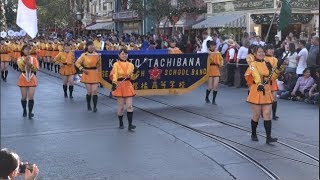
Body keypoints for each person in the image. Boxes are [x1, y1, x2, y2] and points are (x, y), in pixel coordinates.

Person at [246, 45, 286, 144]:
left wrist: (279, 68)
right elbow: (255, 74)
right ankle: (254, 134)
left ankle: (268, 137)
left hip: (267, 91)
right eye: (259, 52)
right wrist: (259, 83)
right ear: (255, 54)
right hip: (256, 90)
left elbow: (272, 77)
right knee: (256, 115)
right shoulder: (253, 64)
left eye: (263, 51)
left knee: (267, 114)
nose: (261, 53)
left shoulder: (268, 63)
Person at [111, 49, 137, 131]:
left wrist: (135, 72)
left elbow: (132, 78)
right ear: (119, 55)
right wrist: (114, 83)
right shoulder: (116, 64)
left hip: (128, 85)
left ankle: (130, 125)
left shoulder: (131, 65)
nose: (124, 55)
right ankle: (121, 122)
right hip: (120, 85)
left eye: (126, 54)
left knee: (129, 106)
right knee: (121, 108)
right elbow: (114, 74)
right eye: (122, 54)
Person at [75, 41, 101, 112]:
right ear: (87, 47)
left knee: (94, 91)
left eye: (92, 45)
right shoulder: (84, 55)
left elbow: (99, 65)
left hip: (94, 73)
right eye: (89, 45)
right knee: (89, 91)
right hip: (87, 73)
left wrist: (99, 72)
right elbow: (77, 63)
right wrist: (82, 69)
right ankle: (88, 104)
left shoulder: (97, 54)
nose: (91, 47)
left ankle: (95, 106)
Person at [17, 45, 39, 119]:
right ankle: (24, 110)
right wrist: (25, 61)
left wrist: (30, 64)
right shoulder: (19, 58)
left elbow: (36, 69)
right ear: (23, 51)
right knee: (24, 97)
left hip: (32, 77)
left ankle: (30, 112)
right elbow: (20, 66)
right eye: (26, 49)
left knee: (31, 97)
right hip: (23, 77)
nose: (28, 50)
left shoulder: (34, 59)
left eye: (29, 49)